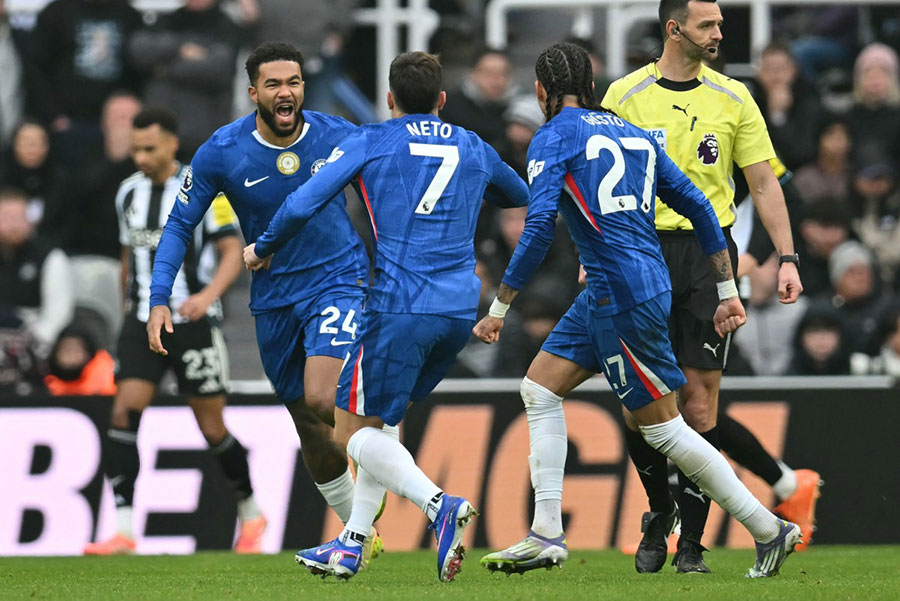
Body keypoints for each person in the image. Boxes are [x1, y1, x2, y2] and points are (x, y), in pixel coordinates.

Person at [475, 41, 801, 580]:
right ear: (593, 88)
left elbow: (537, 229)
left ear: (540, 91)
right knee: (539, 389)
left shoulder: (551, 136)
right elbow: (699, 205)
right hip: (623, 286)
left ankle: (768, 528)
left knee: (666, 430)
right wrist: (726, 288)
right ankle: (546, 533)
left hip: (622, 294)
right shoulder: (633, 134)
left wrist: (500, 304)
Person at [243, 50, 529, 582]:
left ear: (391, 99)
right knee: (382, 421)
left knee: (349, 431)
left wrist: (262, 247)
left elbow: (303, 202)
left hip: (399, 306)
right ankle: (353, 542)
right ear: (442, 99)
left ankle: (438, 505)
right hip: (457, 311)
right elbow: (518, 194)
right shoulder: (472, 144)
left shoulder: (373, 139)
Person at [146, 42, 383, 562]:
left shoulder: (339, 135)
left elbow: (387, 194)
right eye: (273, 84)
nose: (285, 92)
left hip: (338, 281)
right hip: (274, 300)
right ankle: (359, 536)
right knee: (309, 427)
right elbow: (180, 224)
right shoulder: (223, 150)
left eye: (293, 82)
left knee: (324, 398)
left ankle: (419, 494)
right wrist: (159, 296)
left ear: (304, 87)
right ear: (253, 92)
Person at [601, 0, 810, 573]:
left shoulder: (734, 97)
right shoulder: (623, 95)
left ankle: (692, 544)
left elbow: (763, 183)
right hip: (638, 250)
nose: (719, 33)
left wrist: (787, 258)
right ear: (674, 29)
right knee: (639, 404)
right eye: (708, 25)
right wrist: (592, 254)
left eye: (719, 23)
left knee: (699, 403)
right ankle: (658, 511)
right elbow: (594, 179)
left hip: (707, 256)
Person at [83, 107, 265, 555]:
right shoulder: (128, 193)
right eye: (135, 150)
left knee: (212, 427)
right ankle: (124, 530)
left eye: (149, 148)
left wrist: (207, 297)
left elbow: (232, 251)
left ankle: (251, 512)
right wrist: (131, 310)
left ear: (171, 143)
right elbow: (129, 258)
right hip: (144, 321)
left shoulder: (206, 190)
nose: (141, 158)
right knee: (124, 413)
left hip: (193, 322)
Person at [0, 186, 73, 352]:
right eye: (6, 217)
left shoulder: (51, 257)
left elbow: (58, 315)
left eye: (19, 217)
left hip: (33, 341)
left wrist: (31, 347)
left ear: (30, 221)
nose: (13, 225)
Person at [44, 323, 116, 396]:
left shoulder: (105, 387)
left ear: (89, 354)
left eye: (77, 350)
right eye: (66, 349)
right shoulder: (43, 383)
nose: (71, 354)